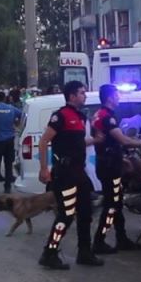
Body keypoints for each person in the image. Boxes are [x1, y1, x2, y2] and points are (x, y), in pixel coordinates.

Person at [37, 81, 102, 270]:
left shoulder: (80, 116)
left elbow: (78, 142)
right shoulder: (60, 116)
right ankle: (49, 253)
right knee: (66, 215)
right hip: (65, 174)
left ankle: (85, 252)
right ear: (72, 96)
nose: (85, 96)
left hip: (79, 172)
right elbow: (44, 142)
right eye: (81, 93)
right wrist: (44, 169)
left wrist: (95, 140)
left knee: (85, 213)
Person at [91, 84, 141, 254]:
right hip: (109, 166)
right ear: (109, 98)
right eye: (116, 95)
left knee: (116, 202)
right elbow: (123, 140)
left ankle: (122, 238)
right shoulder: (107, 117)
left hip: (108, 163)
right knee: (112, 205)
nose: (118, 97)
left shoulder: (100, 114)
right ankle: (99, 240)